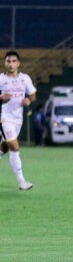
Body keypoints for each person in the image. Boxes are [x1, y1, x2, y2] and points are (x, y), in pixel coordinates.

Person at [0, 50, 36, 190]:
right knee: (14, 146)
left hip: (17, 119)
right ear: (5, 63)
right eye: (8, 61)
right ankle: (22, 181)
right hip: (3, 117)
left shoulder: (25, 78)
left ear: (18, 63)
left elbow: (33, 95)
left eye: (14, 61)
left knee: (5, 147)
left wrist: (28, 100)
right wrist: (1, 98)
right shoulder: (1, 79)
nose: (11, 64)